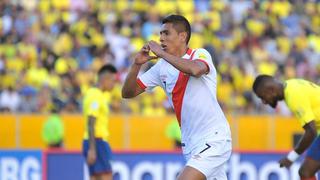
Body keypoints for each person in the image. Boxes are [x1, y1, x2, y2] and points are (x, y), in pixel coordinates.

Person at [122, 14, 232, 180]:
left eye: (166, 33)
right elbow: (128, 93)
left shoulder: (200, 54)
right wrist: (137, 65)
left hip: (214, 138)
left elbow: (196, 70)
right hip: (191, 145)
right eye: (160, 34)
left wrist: (161, 54)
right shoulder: (161, 68)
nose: (161, 38)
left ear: (182, 36)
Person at [252, 74, 320, 180]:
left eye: (262, 97)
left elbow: (311, 131)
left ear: (270, 90)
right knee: (306, 172)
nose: (264, 102)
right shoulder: (291, 85)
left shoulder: (293, 95)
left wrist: (291, 157)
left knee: (306, 172)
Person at [82, 64, 117, 180]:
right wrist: (92, 149)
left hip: (93, 141)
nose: (114, 84)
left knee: (95, 177)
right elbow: (91, 121)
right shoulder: (95, 95)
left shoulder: (95, 94)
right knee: (106, 175)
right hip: (97, 141)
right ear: (105, 79)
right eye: (112, 81)